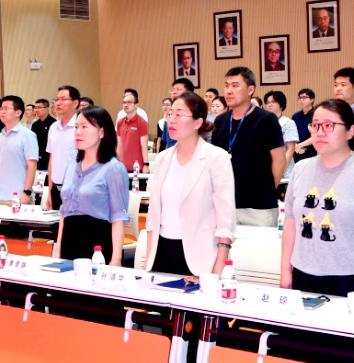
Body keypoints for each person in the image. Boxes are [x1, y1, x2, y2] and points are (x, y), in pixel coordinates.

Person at [281, 99, 354, 295]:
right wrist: (285, 270)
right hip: (303, 273)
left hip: (352, 277)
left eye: (328, 126)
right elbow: (290, 223)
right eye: (315, 125)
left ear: (350, 131)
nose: (320, 132)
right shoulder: (300, 169)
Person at [142, 91, 234, 276]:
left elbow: (226, 217)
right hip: (161, 252)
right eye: (170, 114)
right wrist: (148, 258)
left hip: (199, 256)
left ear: (198, 123)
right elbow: (153, 214)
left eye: (179, 114)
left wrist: (220, 265)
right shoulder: (162, 158)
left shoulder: (216, 157)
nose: (171, 120)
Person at [212, 67, 286, 226]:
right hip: (227, 204)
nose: (229, 91)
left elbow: (279, 160)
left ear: (250, 89)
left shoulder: (266, 119)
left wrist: (266, 190)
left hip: (259, 207)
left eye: (235, 85)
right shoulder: (221, 120)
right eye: (227, 85)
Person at [55, 106, 129, 262]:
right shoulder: (72, 166)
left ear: (102, 132)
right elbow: (64, 214)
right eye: (76, 127)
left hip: (97, 245)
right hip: (69, 241)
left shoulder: (114, 168)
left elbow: (118, 217)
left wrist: (116, 259)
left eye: (84, 127)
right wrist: (57, 251)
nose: (78, 132)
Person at [0, 96, 39, 205]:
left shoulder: (27, 135)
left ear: (18, 112)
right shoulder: (0, 136)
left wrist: (26, 193)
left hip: (18, 197)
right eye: (1, 108)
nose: (2, 111)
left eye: (6, 108)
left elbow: (32, 166)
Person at [46, 86, 80, 209]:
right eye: (57, 99)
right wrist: (50, 191)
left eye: (63, 99)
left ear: (75, 103)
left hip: (76, 189)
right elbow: (52, 160)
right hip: (56, 189)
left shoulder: (80, 127)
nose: (58, 103)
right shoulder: (53, 127)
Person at [263, 91, 299, 183]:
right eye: (267, 102)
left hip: (285, 169)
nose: (269, 105)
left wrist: (280, 170)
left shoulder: (288, 123)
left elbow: (291, 149)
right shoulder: (263, 123)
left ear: (281, 105)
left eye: (273, 102)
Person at [116, 89, 149, 173]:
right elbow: (119, 144)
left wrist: (146, 164)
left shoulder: (142, 122)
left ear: (136, 105)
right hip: (122, 166)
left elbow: (144, 145)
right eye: (124, 102)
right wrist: (116, 162)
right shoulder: (120, 122)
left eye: (129, 102)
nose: (126, 105)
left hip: (137, 166)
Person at [291, 88, 315, 163]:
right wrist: (296, 146)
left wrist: (300, 145)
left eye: (304, 97)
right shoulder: (296, 116)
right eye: (300, 98)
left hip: (311, 152)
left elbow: (316, 135)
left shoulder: (316, 115)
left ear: (312, 99)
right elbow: (292, 134)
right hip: (297, 152)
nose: (301, 100)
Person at [31, 97, 52, 171]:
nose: (37, 110)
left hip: (49, 159)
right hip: (37, 159)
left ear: (47, 108)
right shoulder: (35, 125)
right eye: (35, 108)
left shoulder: (53, 124)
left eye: (39, 107)